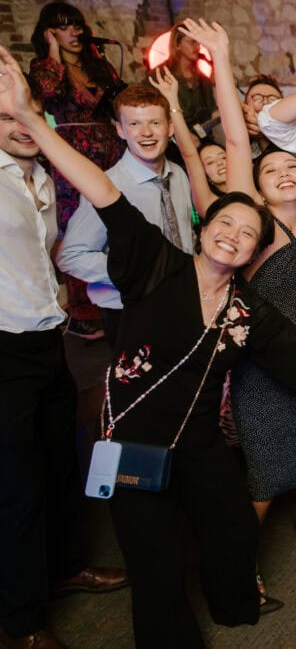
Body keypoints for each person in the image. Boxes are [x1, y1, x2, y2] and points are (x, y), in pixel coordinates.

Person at [0, 42, 296, 648]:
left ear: (252, 253)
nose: (234, 235)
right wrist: (31, 118)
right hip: (134, 438)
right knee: (159, 564)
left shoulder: (246, 309)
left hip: (196, 441)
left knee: (230, 524)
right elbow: (100, 190)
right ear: (206, 229)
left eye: (248, 234)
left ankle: (233, 602)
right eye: (226, 223)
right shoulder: (157, 265)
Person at [174, 18, 296, 582]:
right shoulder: (254, 227)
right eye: (268, 168)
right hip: (259, 369)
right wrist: (223, 58)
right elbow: (236, 137)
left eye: (289, 168)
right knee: (260, 470)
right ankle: (240, 561)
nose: (280, 172)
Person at [0, 78, 127, 649]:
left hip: (46, 335)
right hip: (2, 345)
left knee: (60, 462)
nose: (22, 128)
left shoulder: (43, 177)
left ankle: (68, 567)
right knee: (16, 485)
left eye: (28, 115)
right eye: (7, 120)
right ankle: (24, 622)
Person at [58, 83, 195, 345]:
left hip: (181, 301)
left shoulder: (178, 174)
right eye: (134, 124)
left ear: (170, 127)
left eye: (154, 123)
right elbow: (70, 256)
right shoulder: (107, 187)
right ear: (120, 130)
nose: (146, 133)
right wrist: (131, 273)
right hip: (129, 312)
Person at [30, 1, 124, 340]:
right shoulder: (43, 66)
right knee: (79, 227)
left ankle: (115, 295)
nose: (75, 31)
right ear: (49, 32)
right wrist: (53, 53)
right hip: (73, 153)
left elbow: (117, 100)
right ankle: (85, 312)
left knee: (114, 221)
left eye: (76, 24)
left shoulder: (96, 64)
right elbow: (49, 93)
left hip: (110, 149)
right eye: (63, 26)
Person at [151, 23, 216, 132]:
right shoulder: (159, 75)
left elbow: (212, 113)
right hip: (174, 141)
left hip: (204, 140)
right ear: (177, 44)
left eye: (198, 42)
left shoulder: (203, 79)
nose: (197, 46)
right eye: (192, 42)